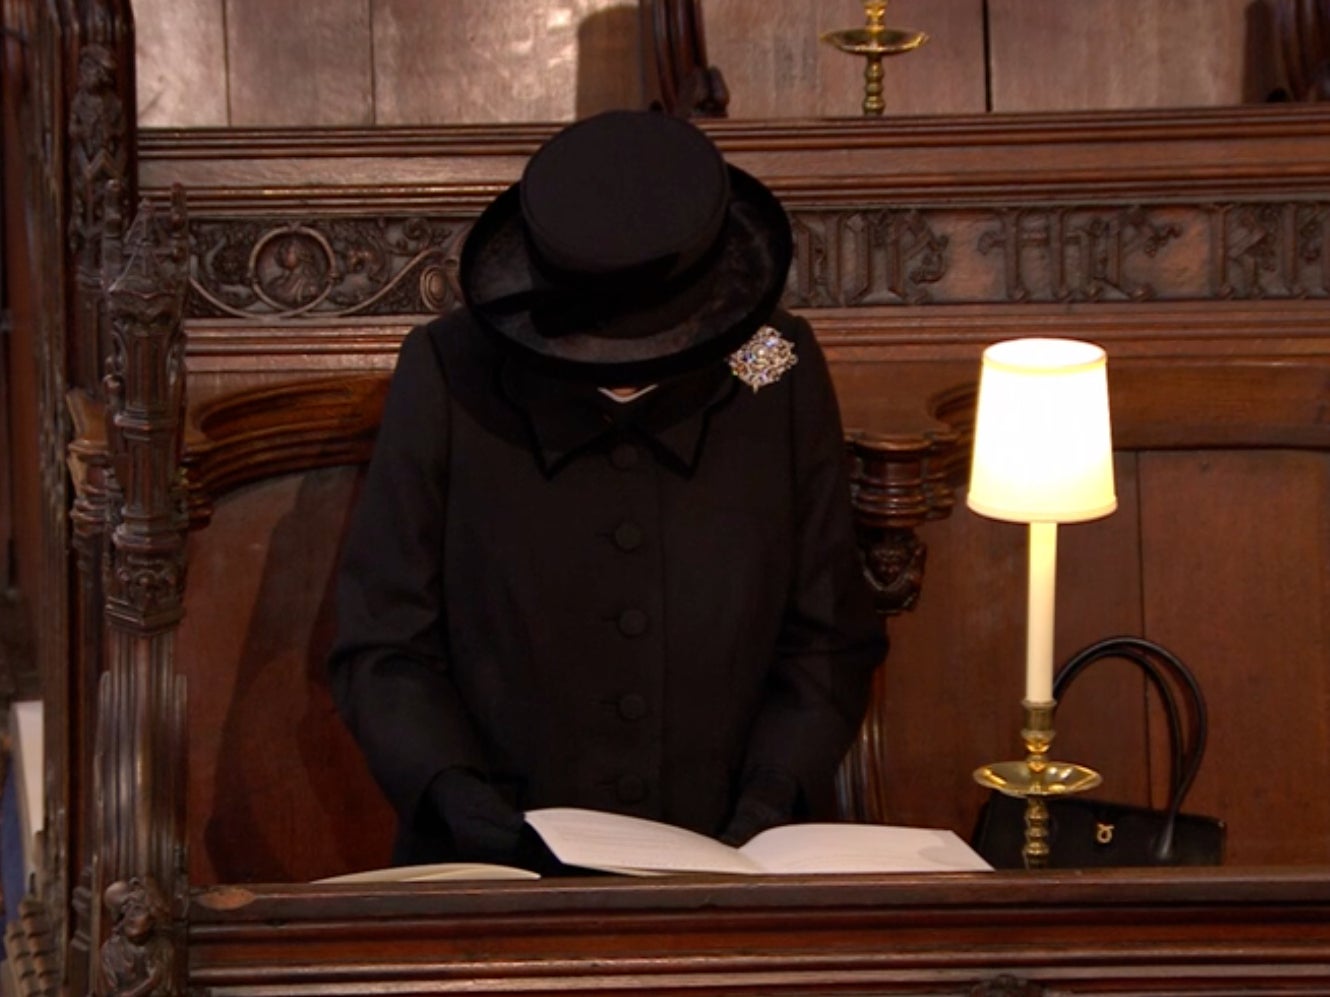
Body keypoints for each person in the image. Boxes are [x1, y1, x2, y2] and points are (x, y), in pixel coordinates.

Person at [328, 109, 888, 872]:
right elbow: (382, 643)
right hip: (494, 866)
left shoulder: (770, 364)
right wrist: (467, 807)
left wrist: (767, 800)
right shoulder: (449, 367)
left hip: (736, 860)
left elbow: (829, 636)